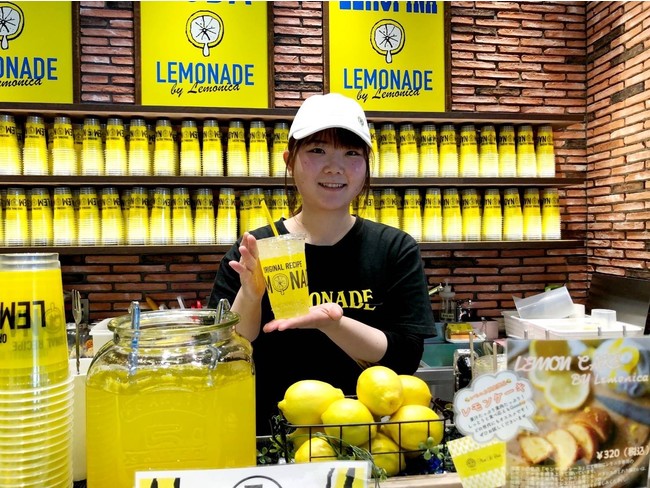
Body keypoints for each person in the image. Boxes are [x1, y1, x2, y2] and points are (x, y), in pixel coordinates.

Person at [208, 93, 436, 435]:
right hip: (270, 438)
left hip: (371, 440)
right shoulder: (256, 250)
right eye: (317, 151)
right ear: (290, 160)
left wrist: (333, 324)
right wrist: (251, 297)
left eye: (351, 153)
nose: (335, 167)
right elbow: (224, 353)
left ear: (366, 167)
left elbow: (405, 357)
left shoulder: (393, 249)